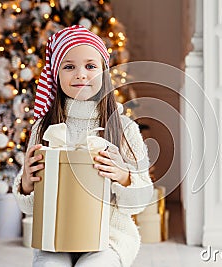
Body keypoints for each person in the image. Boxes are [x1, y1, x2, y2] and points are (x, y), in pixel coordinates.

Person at [13, 25, 153, 267]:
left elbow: (142, 198)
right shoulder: (43, 128)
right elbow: (30, 208)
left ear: (103, 72)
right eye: (69, 66)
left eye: (90, 66)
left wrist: (123, 176)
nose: (80, 74)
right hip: (56, 233)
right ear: (56, 74)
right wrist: (26, 182)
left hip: (110, 236)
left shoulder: (124, 128)